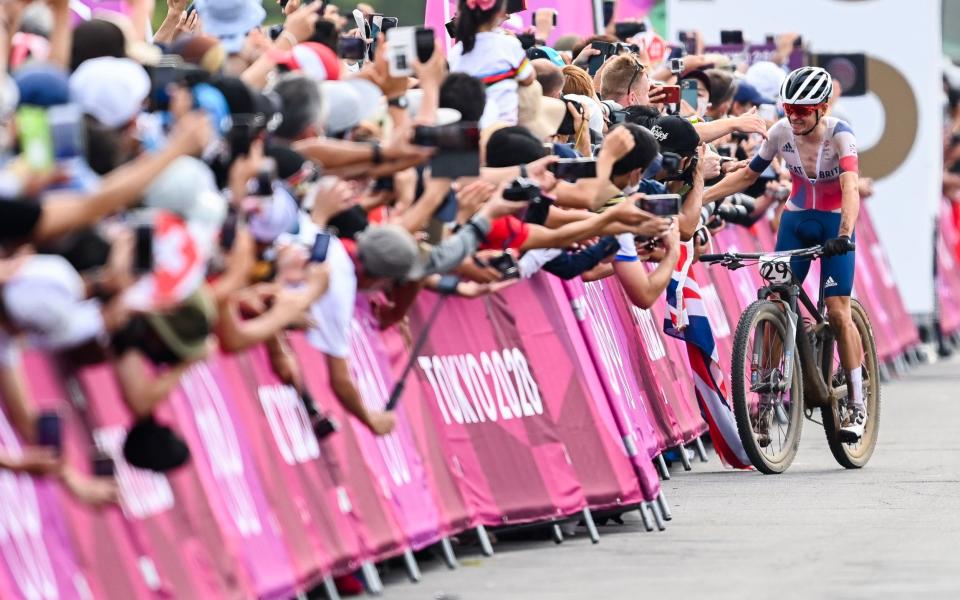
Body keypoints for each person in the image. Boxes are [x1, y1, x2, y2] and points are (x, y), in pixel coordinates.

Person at [703, 67, 866, 440]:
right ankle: (764, 403)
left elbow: (851, 188)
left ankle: (856, 403)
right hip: (794, 223)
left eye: (803, 110)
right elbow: (748, 175)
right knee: (778, 300)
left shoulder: (841, 135)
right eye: (789, 107)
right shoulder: (779, 132)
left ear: (822, 108)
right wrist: (701, 199)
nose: (793, 115)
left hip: (833, 224)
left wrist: (844, 234)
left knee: (839, 312)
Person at [448, 0, 535, 126]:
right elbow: (529, 78)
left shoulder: (455, 53)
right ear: (500, 13)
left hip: (471, 130)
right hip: (505, 130)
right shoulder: (508, 44)